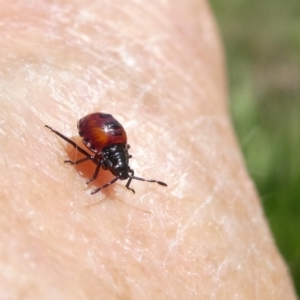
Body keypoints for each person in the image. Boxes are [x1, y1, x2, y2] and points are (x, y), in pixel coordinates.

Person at [0, 0, 297, 298]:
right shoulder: (104, 154)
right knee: (93, 161)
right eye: (119, 174)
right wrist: (92, 180)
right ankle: (55, 134)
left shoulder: (118, 158)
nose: (120, 175)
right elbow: (97, 160)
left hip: (109, 134)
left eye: (121, 174)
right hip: (100, 130)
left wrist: (119, 180)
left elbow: (120, 167)